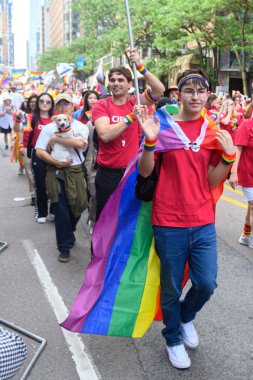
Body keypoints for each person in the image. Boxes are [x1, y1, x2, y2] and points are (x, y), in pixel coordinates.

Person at [137, 69, 235, 369]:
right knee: (170, 287)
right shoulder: (162, 126)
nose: (195, 96)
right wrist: (151, 142)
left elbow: (210, 181)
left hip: (202, 219)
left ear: (207, 95)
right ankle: (173, 337)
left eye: (200, 91)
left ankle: (185, 316)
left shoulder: (213, 131)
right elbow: (144, 172)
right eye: (188, 91)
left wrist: (230, 158)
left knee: (206, 283)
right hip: (167, 220)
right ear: (179, 94)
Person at [92, 48, 165, 218]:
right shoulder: (101, 105)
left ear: (129, 84)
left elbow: (159, 89)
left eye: (120, 80)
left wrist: (140, 65)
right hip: (108, 175)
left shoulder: (137, 102)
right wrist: (131, 117)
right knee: (106, 222)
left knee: (130, 222)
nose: (115, 83)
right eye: (112, 80)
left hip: (132, 173)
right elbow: (105, 135)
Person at [35, 93, 89, 262]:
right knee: (60, 209)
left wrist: (57, 137)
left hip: (76, 172)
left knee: (79, 206)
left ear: (73, 107)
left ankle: (69, 229)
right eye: (60, 104)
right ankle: (64, 247)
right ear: (56, 109)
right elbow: (39, 150)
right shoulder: (48, 128)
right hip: (56, 172)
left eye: (67, 104)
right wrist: (56, 162)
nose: (63, 107)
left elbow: (80, 144)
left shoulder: (81, 127)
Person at [75, 90, 100, 233]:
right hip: (91, 164)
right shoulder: (85, 121)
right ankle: (93, 219)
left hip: (109, 165)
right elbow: (84, 145)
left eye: (95, 98)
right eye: (90, 98)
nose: (93, 100)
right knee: (94, 194)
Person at [29, 93, 54, 222]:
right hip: (37, 154)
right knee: (40, 185)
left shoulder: (55, 118)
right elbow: (20, 129)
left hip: (53, 154)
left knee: (54, 184)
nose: (45, 104)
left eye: (48, 102)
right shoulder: (32, 117)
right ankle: (42, 212)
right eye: (42, 101)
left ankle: (54, 211)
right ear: (38, 103)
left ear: (51, 104)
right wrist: (17, 120)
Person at [229, 118, 253, 248]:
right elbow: (237, 150)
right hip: (249, 173)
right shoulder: (246, 125)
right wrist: (233, 172)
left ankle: (246, 235)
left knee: (251, 206)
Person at [13, 95, 38, 204]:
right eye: (31, 101)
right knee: (30, 173)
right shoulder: (25, 116)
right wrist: (21, 145)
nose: (33, 103)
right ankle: (33, 195)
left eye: (36, 101)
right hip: (28, 147)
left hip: (43, 149)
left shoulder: (44, 116)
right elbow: (19, 130)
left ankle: (43, 193)